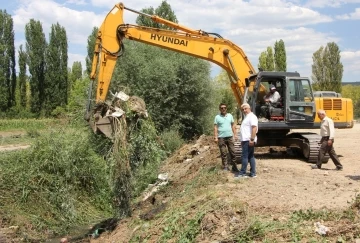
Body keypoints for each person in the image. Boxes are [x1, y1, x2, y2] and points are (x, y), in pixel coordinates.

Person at [214, 103, 239, 172]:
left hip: (230, 137)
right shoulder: (217, 117)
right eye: (221, 108)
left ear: (226, 108)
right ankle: (225, 166)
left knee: (232, 152)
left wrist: (235, 134)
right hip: (221, 137)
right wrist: (216, 137)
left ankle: (234, 166)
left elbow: (233, 125)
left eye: (224, 107)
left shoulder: (230, 116)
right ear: (220, 109)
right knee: (223, 153)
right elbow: (215, 127)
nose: (223, 109)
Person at [235, 103, 258, 178]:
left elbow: (254, 128)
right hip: (246, 140)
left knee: (244, 156)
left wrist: (251, 139)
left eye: (245, 108)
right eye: (243, 109)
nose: (244, 110)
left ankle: (242, 173)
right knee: (250, 156)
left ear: (249, 108)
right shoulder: (247, 117)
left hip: (248, 139)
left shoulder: (252, 117)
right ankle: (253, 173)